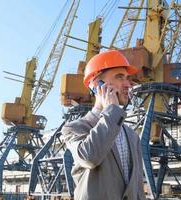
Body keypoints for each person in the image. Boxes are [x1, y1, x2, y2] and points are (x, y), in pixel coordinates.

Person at [62, 50, 146, 200]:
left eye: (128, 78)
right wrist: (111, 111)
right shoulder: (74, 128)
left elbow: (137, 185)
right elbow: (89, 157)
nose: (128, 84)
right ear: (97, 84)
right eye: (120, 77)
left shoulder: (132, 136)